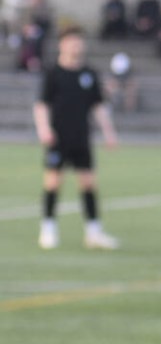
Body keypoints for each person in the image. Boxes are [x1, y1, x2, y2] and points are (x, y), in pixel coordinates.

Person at [33, 25, 120, 251]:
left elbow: (98, 107)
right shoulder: (54, 73)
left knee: (89, 184)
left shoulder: (89, 74)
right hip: (58, 138)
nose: (76, 45)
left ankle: (94, 232)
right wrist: (43, 129)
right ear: (62, 44)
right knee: (53, 182)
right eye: (72, 40)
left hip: (81, 137)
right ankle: (48, 229)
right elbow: (42, 105)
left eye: (79, 41)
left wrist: (109, 132)